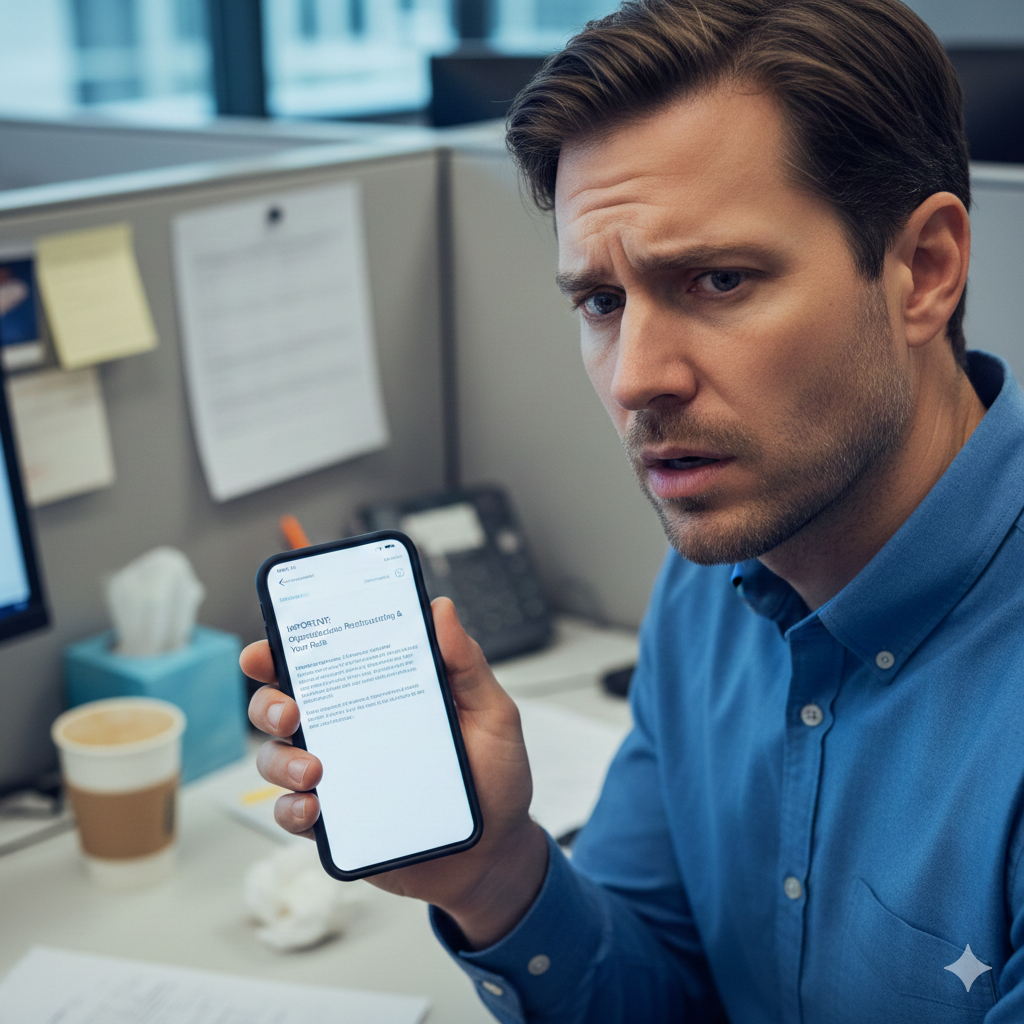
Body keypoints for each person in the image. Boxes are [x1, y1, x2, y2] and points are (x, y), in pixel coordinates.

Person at [242, 0, 1024, 1019]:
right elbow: (661, 983)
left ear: (922, 270)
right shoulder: (716, 581)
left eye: (717, 278)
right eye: (600, 302)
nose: (635, 380)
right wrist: (493, 871)